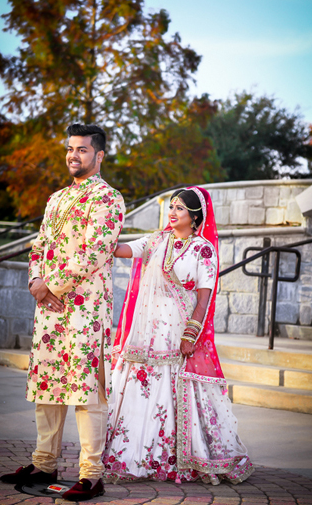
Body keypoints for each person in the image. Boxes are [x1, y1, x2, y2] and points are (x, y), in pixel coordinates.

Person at [0, 123, 125, 501]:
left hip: (85, 309)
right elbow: (38, 245)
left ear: (99, 155)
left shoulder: (108, 198)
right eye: (70, 149)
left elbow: (94, 252)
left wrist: (51, 286)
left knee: (87, 390)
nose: (74, 155)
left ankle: (91, 473)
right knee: (49, 386)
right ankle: (44, 462)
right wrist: (37, 280)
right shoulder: (55, 199)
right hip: (50, 310)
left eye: (83, 150)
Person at [103, 186, 254, 485]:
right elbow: (123, 250)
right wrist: (101, 233)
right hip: (145, 336)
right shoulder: (158, 240)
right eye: (171, 206)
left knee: (175, 394)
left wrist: (190, 335)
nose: (172, 212)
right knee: (140, 388)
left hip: (177, 335)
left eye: (179, 208)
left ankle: (177, 458)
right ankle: (136, 458)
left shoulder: (203, 249)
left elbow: (203, 298)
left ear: (195, 216)